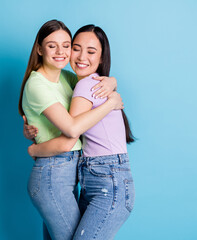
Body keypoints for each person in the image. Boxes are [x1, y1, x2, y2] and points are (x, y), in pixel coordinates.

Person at [26, 24, 135, 240]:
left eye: (91, 51)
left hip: (102, 179)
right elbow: (71, 129)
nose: (81, 56)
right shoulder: (79, 82)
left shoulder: (79, 83)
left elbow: (70, 135)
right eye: (76, 48)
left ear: (102, 58)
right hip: (94, 177)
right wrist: (111, 97)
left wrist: (33, 148)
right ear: (40, 49)